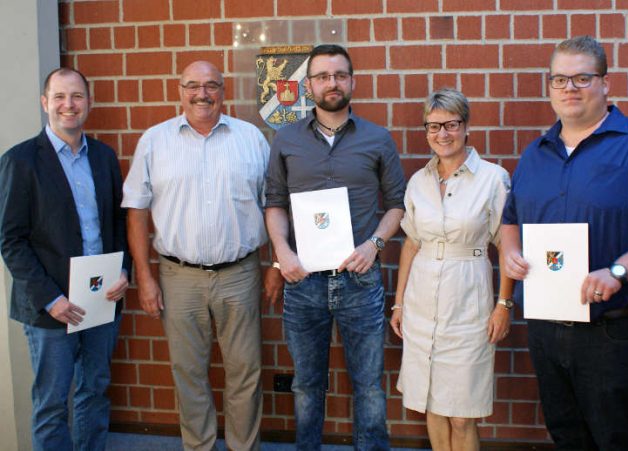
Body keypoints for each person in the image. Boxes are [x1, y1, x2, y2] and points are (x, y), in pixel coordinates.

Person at [500, 35, 628, 450]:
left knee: (617, 440)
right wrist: (511, 253)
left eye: (582, 78)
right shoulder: (536, 153)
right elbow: (510, 221)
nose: (569, 88)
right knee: (566, 435)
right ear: (549, 87)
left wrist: (619, 271)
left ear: (606, 83)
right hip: (547, 327)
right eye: (559, 79)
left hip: (613, 331)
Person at [122, 61, 273, 451]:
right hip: (178, 276)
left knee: (246, 372)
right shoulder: (155, 141)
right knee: (188, 373)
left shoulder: (251, 138)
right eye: (193, 86)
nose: (202, 94)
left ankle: (244, 447)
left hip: (240, 273)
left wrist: (275, 264)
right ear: (179, 90)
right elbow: (136, 208)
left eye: (211, 85)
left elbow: (273, 205)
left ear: (224, 91)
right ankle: (199, 446)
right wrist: (145, 276)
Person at [265, 44, 406, 450]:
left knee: (369, 387)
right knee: (307, 386)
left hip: (359, 280)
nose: (332, 83)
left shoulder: (378, 139)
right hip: (303, 281)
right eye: (323, 76)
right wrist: (283, 254)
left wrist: (374, 245)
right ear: (308, 85)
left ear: (352, 82)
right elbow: (274, 202)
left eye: (340, 75)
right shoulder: (286, 139)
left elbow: (397, 204)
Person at [0, 68, 130, 451]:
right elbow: (11, 240)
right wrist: (50, 298)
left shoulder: (104, 157)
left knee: (93, 392)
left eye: (76, 97)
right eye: (59, 97)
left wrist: (124, 270)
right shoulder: (21, 161)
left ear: (89, 103)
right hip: (51, 307)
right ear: (45, 103)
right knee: (52, 405)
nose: (68, 105)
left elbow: (118, 223)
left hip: (100, 301)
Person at [389, 88, 513, 450]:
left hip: (467, 304)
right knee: (432, 403)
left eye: (450, 124)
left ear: (466, 126)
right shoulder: (418, 182)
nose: (442, 134)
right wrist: (399, 304)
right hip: (422, 304)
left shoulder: (493, 179)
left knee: (461, 413)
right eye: (433, 126)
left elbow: (506, 244)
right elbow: (411, 243)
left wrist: (504, 305)